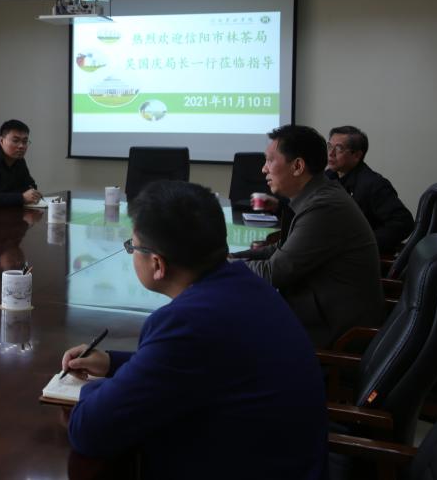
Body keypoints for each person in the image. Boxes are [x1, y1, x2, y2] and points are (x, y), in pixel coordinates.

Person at [62, 180, 327, 479]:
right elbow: (198, 365)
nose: (131, 252)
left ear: (157, 264)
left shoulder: (188, 323)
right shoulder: (244, 283)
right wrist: (112, 363)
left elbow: (90, 431)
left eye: (132, 246)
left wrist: (92, 390)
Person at [245, 124, 383, 347]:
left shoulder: (324, 207)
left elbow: (273, 273)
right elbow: (282, 249)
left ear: (298, 166)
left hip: (332, 333)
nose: (263, 169)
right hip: (319, 313)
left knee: (230, 325)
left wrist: (220, 265)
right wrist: (233, 257)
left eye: (270, 160)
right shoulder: (318, 196)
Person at [325, 125, 414, 254]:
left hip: (358, 257)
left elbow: (403, 223)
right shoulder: (328, 177)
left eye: (338, 148)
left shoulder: (374, 184)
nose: (331, 153)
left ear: (357, 155)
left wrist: (364, 244)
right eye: (329, 146)